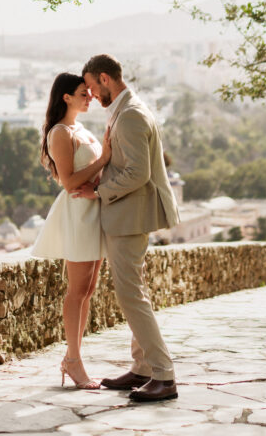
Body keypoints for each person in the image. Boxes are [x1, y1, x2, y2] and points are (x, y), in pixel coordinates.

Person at [73, 54, 180, 402]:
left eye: (91, 86)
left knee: (131, 295)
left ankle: (164, 375)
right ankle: (143, 368)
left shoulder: (131, 115)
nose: (90, 94)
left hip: (129, 216)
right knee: (135, 291)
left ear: (105, 79)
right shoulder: (126, 108)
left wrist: (99, 191)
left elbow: (138, 173)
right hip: (128, 215)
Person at [32, 72, 111, 389]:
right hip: (78, 213)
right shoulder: (60, 133)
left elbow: (95, 174)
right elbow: (68, 182)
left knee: (88, 290)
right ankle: (73, 360)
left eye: (89, 93)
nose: (89, 96)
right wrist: (103, 157)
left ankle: (73, 358)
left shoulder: (81, 129)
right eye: (83, 92)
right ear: (66, 97)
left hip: (94, 210)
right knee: (77, 290)